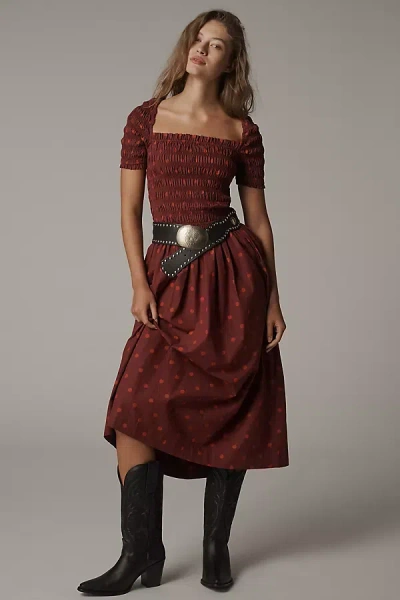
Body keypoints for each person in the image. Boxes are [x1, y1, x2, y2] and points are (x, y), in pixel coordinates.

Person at [77, 8, 289, 596]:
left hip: (233, 279)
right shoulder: (145, 119)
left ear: (230, 62)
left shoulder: (242, 131)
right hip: (168, 275)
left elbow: (259, 221)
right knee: (133, 407)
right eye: (199, 39)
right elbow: (129, 210)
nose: (203, 49)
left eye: (217, 45)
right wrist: (139, 283)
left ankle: (216, 547)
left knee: (233, 405)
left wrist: (273, 299)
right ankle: (141, 551)